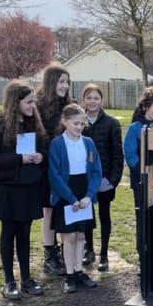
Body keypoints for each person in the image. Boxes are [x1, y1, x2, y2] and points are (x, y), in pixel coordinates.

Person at [0, 80, 47, 300]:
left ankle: (26, 278)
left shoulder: (32, 125)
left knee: (25, 234)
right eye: (29, 102)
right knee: (8, 233)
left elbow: (43, 149)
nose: (32, 106)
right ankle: (9, 280)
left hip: (29, 187)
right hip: (8, 188)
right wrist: (19, 158)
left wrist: (40, 156)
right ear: (15, 102)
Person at [49, 104, 102, 293]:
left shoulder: (88, 143)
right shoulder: (57, 144)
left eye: (82, 124)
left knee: (81, 235)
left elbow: (96, 171)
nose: (79, 127)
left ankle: (80, 271)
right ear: (64, 122)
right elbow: (54, 175)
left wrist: (89, 195)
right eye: (75, 123)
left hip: (84, 193)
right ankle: (69, 275)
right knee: (69, 237)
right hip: (66, 194)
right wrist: (71, 199)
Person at [80, 84, 123, 272]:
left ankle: (104, 254)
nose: (92, 101)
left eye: (96, 98)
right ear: (84, 100)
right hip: (84, 179)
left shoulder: (111, 123)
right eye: (88, 98)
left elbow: (117, 154)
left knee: (104, 215)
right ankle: (89, 249)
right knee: (86, 215)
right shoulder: (79, 122)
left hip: (105, 178)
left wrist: (112, 180)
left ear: (101, 101)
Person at [124, 87, 153, 264]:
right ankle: (144, 256)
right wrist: (147, 179)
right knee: (144, 219)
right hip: (143, 184)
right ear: (146, 107)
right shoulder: (135, 129)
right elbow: (131, 156)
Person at [37, 62, 73, 276]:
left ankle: (64, 249)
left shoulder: (68, 105)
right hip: (48, 165)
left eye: (67, 82)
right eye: (61, 81)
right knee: (49, 210)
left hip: (68, 166)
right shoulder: (40, 106)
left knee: (64, 207)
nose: (65, 86)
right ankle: (49, 254)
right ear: (51, 82)